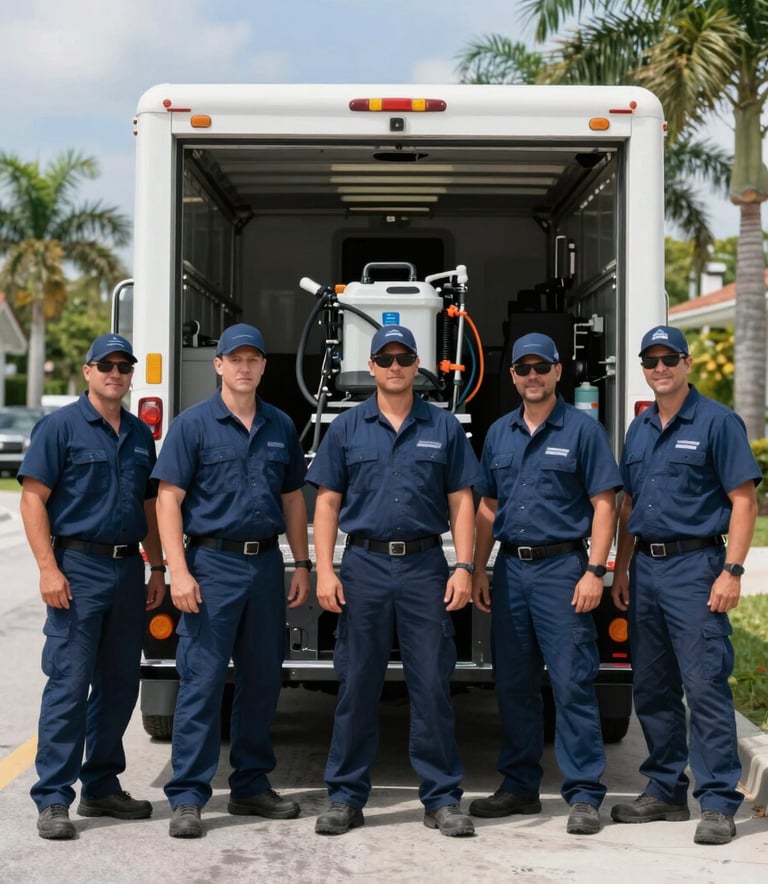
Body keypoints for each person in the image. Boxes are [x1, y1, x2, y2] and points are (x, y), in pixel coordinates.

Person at [306, 325, 480, 837]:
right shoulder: (346, 427)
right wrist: (323, 568)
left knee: (431, 685)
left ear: (417, 363)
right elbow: (327, 503)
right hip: (364, 568)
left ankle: (443, 798)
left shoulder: (444, 426)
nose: (395, 365)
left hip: (426, 568)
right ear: (373, 366)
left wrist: (465, 566)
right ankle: (344, 796)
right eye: (385, 358)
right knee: (357, 684)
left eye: (404, 357)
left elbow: (462, 501)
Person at [152, 323, 311, 839]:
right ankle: (189, 796)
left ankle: (249, 786)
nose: (244, 367)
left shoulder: (281, 424)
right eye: (234, 358)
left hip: (265, 565)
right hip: (211, 566)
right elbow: (168, 500)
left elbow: (292, 499)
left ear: (264, 366)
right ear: (218, 365)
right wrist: (177, 569)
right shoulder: (192, 425)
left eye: (253, 359)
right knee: (200, 681)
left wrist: (302, 563)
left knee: (262, 680)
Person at [609, 325, 760, 845]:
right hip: (646, 570)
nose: (659, 367)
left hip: (696, 569)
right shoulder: (641, 428)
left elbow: (744, 500)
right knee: (652, 688)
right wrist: (622, 567)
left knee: (704, 686)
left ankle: (718, 801)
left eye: (668, 357)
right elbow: (629, 504)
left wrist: (732, 571)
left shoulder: (718, 422)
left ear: (687, 362)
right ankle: (666, 789)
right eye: (650, 360)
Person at [469, 332, 621, 835]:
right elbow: (488, 507)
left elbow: (605, 503)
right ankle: (519, 787)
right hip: (511, 570)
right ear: (512, 376)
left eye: (542, 367)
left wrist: (595, 571)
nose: (532, 376)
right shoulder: (498, 434)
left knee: (572, 682)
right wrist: (476, 568)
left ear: (559, 372)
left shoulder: (582, 431)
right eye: (523, 368)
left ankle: (583, 795)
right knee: (513, 684)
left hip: (563, 572)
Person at [19, 333, 166, 840]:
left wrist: (159, 567)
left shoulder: (141, 435)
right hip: (76, 569)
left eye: (124, 366)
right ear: (87, 371)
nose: (116, 373)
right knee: (68, 683)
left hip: (128, 572)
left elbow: (149, 507)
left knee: (120, 685)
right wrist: (47, 568)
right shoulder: (59, 428)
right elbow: (33, 500)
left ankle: (101, 786)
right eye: (106, 365)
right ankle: (54, 798)